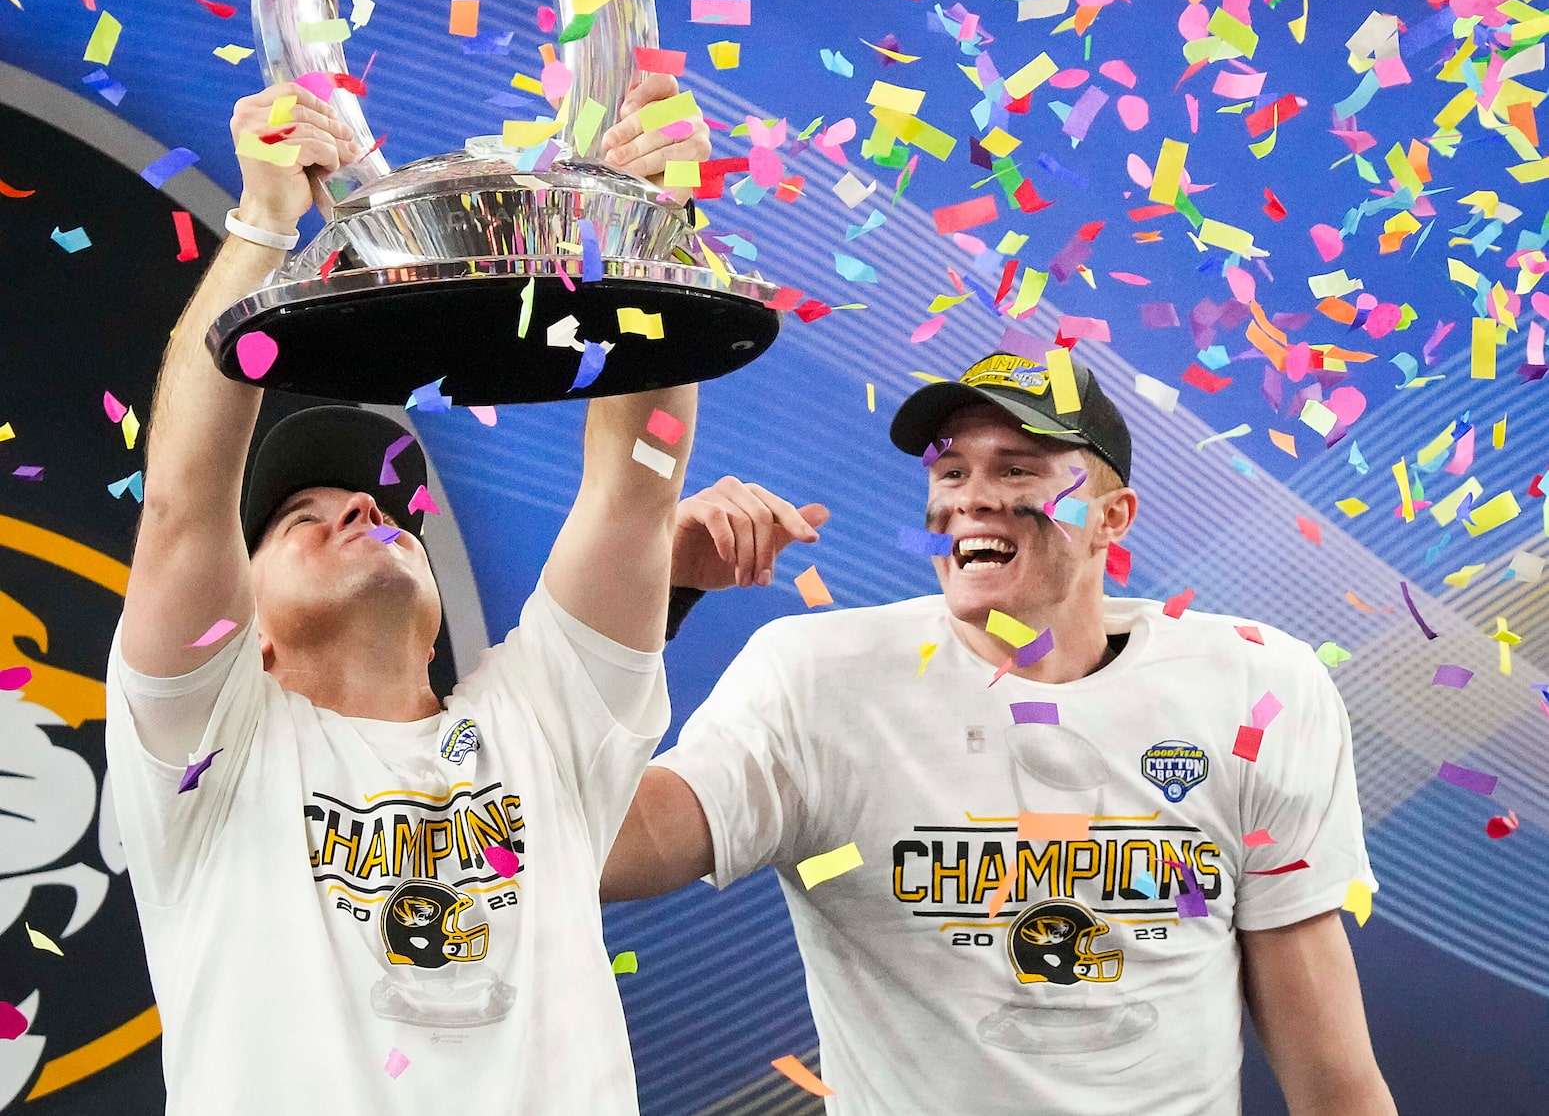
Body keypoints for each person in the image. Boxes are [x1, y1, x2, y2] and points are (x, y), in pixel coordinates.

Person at [106, 70, 713, 1116]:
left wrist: (646, 227)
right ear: (239, 632)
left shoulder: (546, 726)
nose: (360, 509)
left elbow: (636, 490)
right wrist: (262, 226)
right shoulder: (208, 752)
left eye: (380, 507)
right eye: (304, 518)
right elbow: (183, 504)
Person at [613, 348, 1398, 1116]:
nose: (970, 497)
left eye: (1016, 469)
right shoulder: (817, 676)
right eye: (950, 472)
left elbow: (1331, 1072)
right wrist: (660, 588)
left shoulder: (1254, 684)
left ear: (1111, 518)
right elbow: (607, 851)